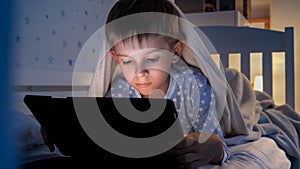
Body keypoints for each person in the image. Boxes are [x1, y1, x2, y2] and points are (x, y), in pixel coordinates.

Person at [87, 0, 229, 168]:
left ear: (175, 52)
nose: (140, 72)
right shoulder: (120, 90)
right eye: (127, 62)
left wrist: (216, 148)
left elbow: (216, 141)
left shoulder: (194, 87)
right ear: (116, 58)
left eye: (152, 59)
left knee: (233, 78)